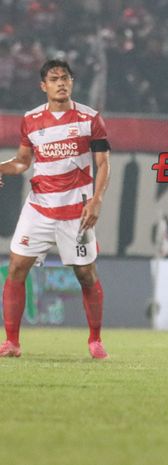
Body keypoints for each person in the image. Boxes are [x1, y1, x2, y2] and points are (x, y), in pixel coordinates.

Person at [0, 59, 111, 359]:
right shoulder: (31, 119)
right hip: (39, 207)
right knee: (16, 268)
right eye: (54, 78)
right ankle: (11, 342)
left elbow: (103, 164)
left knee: (86, 274)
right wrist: (1, 167)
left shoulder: (90, 119)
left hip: (77, 211)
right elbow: (23, 162)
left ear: (72, 82)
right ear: (43, 85)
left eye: (65, 77)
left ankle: (95, 340)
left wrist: (96, 199)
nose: (61, 82)